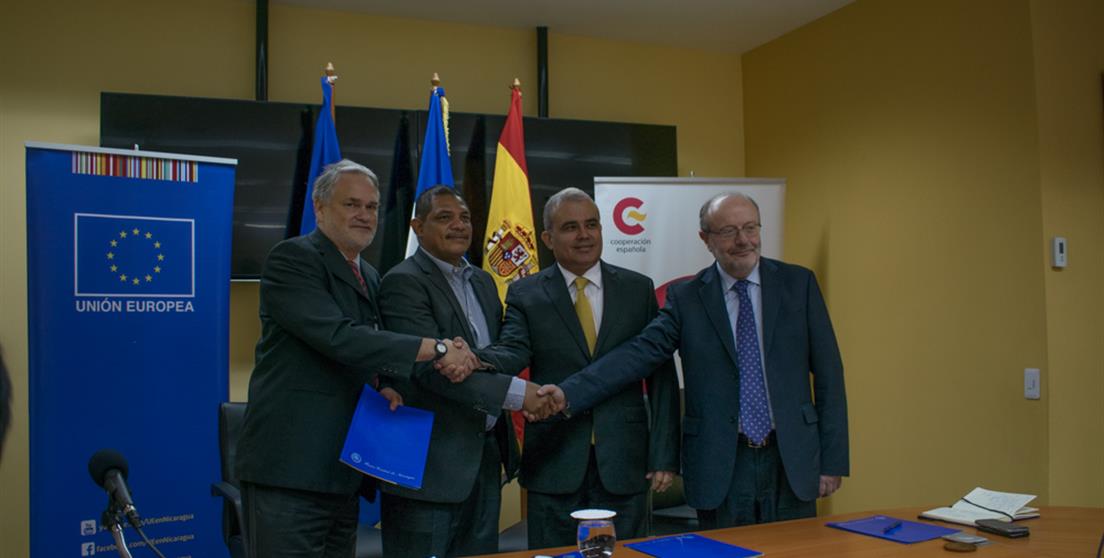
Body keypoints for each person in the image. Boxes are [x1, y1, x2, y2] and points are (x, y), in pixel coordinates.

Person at [542, 192, 849, 529]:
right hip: (720, 464)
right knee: (724, 551)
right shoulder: (687, 298)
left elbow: (829, 375)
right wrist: (569, 392)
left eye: (750, 228)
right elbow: (638, 353)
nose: (743, 240)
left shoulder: (798, 284)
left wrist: (832, 460)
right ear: (706, 239)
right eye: (728, 231)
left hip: (791, 459)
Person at [235, 160, 483, 558]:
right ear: (319, 207)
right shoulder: (292, 259)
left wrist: (384, 384)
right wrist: (436, 348)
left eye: (371, 207)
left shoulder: (369, 273)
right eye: (351, 204)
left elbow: (365, 355)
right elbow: (340, 337)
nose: (364, 215)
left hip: (344, 469)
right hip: (290, 468)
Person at [476, 187, 681, 549]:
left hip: (625, 461)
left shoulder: (637, 289)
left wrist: (664, 454)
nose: (584, 235)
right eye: (570, 227)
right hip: (554, 460)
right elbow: (512, 351)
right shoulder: (526, 293)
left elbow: (660, 375)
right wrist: (476, 360)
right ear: (548, 238)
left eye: (591, 224)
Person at [376, 186, 556, 557]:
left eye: (465, 218)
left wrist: (473, 359)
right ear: (418, 227)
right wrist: (519, 396)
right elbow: (428, 370)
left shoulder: (483, 281)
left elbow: (503, 352)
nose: (459, 226)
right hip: (430, 465)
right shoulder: (402, 282)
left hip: (485, 458)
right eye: (444, 218)